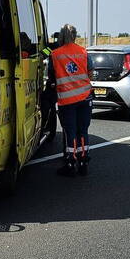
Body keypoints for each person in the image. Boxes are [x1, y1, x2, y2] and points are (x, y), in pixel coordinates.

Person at [50, 24, 93, 176]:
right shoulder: (83, 52)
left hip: (67, 100)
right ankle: (83, 162)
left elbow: (51, 77)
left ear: (61, 36)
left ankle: (70, 162)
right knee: (83, 130)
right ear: (75, 36)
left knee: (70, 132)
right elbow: (90, 72)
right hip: (85, 97)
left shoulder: (55, 54)